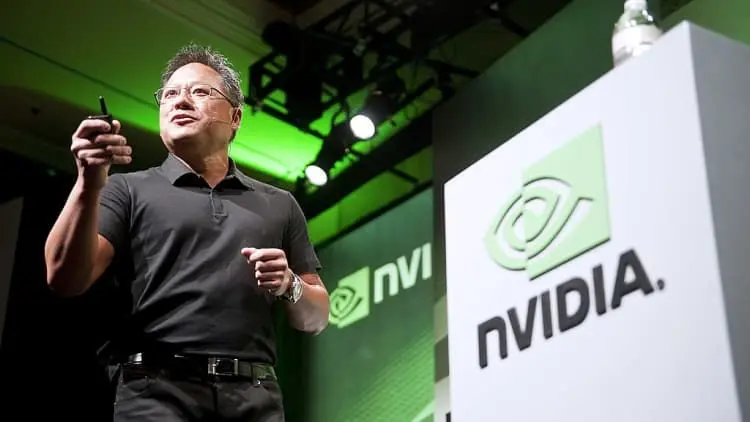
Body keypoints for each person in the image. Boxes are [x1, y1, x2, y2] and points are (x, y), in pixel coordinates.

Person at [43, 43, 330, 421]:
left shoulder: (279, 204)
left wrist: (290, 283)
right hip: (156, 394)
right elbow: (64, 278)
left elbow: (316, 318)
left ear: (236, 117)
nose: (180, 101)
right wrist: (87, 182)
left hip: (254, 398)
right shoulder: (127, 189)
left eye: (199, 92)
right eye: (170, 94)